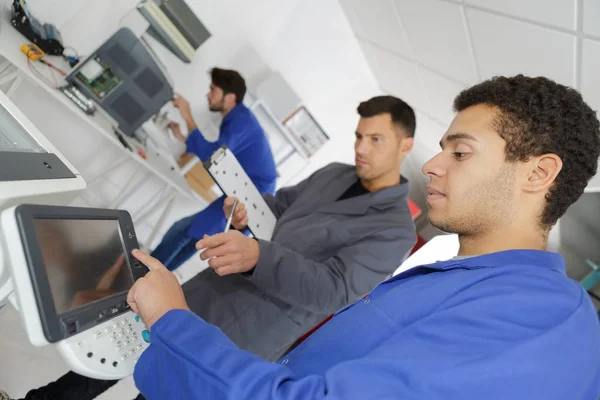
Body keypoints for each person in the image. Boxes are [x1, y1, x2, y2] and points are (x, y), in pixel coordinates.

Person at [128, 75, 600, 399]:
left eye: (460, 152)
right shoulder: (458, 277)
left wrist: (172, 320)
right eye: (443, 149)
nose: (435, 166)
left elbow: (331, 296)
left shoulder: (540, 313)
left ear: (539, 172)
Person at [15, 95, 418, 400]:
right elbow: (279, 208)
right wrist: (246, 212)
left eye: (376, 139)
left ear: (405, 146)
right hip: (209, 288)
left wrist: (261, 255)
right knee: (112, 355)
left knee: (158, 391)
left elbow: (333, 290)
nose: (362, 148)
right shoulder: (334, 174)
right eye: (359, 136)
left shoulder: (394, 230)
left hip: (246, 328)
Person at [152, 67, 277, 270]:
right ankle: (148, 277)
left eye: (213, 90)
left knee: (183, 231)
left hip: (251, 196)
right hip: (244, 191)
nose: (208, 95)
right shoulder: (237, 118)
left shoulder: (241, 121)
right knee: (191, 236)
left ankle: (141, 276)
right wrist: (184, 137)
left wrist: (188, 115)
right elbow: (219, 154)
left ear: (229, 97)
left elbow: (214, 157)